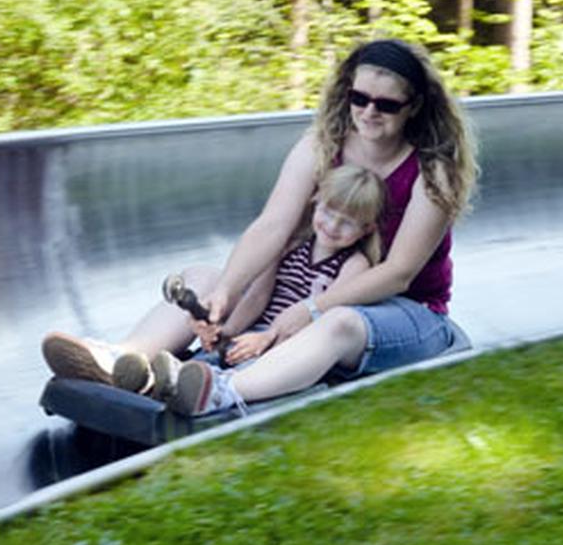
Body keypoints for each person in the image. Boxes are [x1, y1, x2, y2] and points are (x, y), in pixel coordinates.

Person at [47, 38, 478, 417]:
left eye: (386, 105)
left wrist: (313, 310)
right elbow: (273, 225)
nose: (368, 112)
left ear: (414, 106)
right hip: (317, 291)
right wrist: (226, 294)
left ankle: (220, 391)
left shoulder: (430, 172)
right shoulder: (322, 145)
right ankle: (124, 360)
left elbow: (398, 272)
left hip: (406, 311)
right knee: (202, 279)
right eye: (359, 97)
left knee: (340, 322)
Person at [43, 163, 387, 400]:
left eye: (348, 222)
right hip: (250, 338)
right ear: (315, 202)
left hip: (286, 346)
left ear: (366, 229)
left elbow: (320, 318)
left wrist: (267, 339)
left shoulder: (353, 264)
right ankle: (135, 374)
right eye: (328, 211)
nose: (333, 225)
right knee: (206, 360)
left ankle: (175, 385)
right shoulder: (292, 246)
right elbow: (259, 295)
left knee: (219, 374)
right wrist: (227, 330)